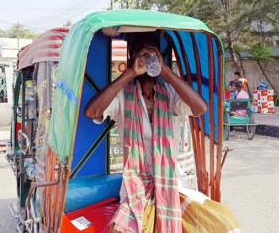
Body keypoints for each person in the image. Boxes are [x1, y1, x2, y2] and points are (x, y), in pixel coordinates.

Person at [85, 34, 239, 233]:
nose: (147, 60)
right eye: (141, 54)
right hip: (136, 188)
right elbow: (92, 112)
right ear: (132, 58)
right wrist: (130, 73)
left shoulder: (170, 94)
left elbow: (200, 108)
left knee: (223, 224)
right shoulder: (123, 96)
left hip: (172, 185)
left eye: (152, 54)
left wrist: (164, 70)